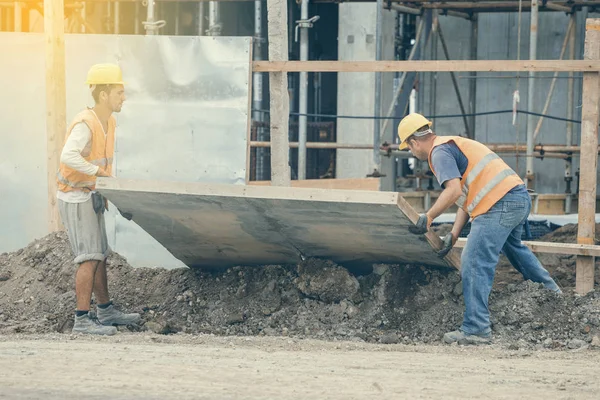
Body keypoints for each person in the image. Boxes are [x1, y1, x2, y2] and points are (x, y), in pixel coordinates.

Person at [398, 113, 561, 345]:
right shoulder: (451, 145)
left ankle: (476, 328)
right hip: (516, 198)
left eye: (409, 148)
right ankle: (554, 294)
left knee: (474, 261)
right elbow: (465, 199)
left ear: (414, 142)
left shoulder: (439, 153)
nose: (412, 153)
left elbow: (452, 191)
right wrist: (453, 235)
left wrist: (429, 217)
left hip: (498, 204)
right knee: (515, 249)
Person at [57, 63, 141, 335]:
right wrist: (97, 174)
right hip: (76, 197)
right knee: (89, 258)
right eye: (119, 92)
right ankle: (81, 320)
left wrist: (101, 189)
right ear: (104, 95)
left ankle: (105, 310)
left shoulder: (109, 121)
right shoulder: (86, 122)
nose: (124, 97)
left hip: (90, 195)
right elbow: (67, 156)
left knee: (100, 255)